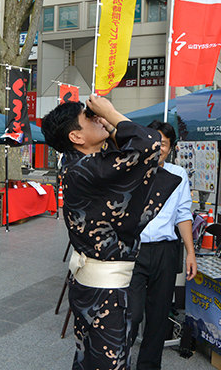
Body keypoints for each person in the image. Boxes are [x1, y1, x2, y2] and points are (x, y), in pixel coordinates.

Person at [41, 95, 181, 370]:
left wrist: (107, 124)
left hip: (92, 283)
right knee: (109, 363)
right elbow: (150, 145)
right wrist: (111, 112)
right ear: (76, 136)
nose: (97, 118)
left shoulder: (76, 164)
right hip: (106, 290)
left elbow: (135, 156)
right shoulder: (87, 168)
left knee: (89, 359)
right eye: (89, 118)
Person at [129, 120, 197, 370]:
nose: (158, 148)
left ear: (171, 148)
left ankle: (148, 367)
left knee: (158, 317)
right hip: (133, 250)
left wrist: (190, 253)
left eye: (164, 144)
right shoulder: (130, 170)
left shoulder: (178, 175)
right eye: (154, 142)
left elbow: (183, 215)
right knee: (131, 314)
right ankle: (119, 362)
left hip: (165, 252)